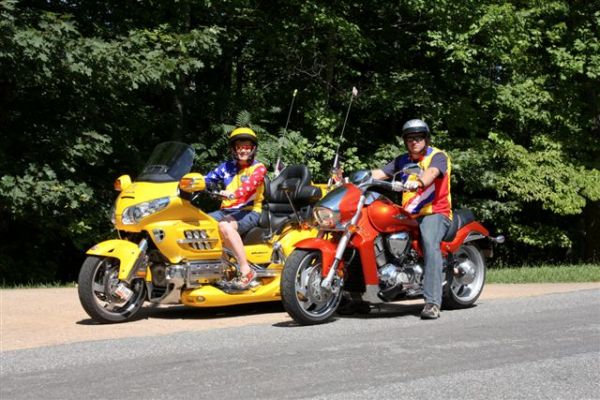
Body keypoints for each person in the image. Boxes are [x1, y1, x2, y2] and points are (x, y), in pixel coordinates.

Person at [371, 119, 452, 319]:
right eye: (410, 138)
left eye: (418, 138)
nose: (414, 142)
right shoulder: (402, 160)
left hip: (434, 212)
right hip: (409, 215)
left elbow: (433, 172)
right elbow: (379, 173)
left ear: (426, 138)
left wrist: (420, 182)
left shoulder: (438, 156)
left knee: (429, 243)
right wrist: (350, 179)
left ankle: (433, 302)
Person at [204, 127, 267, 290]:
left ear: (253, 149)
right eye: (239, 147)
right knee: (201, 224)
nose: (243, 150)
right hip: (226, 211)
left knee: (224, 226)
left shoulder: (259, 168)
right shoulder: (226, 167)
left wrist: (232, 194)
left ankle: (247, 271)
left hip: (250, 211)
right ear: (233, 149)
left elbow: (249, 186)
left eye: (246, 147)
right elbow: (207, 179)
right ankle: (223, 269)